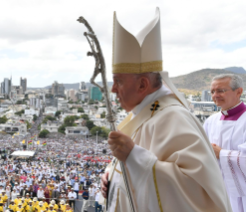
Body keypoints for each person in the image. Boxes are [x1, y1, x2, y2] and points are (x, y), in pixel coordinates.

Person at [100, 8, 232, 212]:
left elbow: (195, 192)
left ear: (143, 85)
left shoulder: (172, 117)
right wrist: (111, 177)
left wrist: (134, 157)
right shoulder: (143, 115)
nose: (113, 89)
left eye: (118, 81)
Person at [203, 74, 246, 212]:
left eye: (221, 90)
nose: (215, 95)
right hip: (217, 190)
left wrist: (221, 154)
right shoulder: (211, 121)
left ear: (239, 91)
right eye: (212, 91)